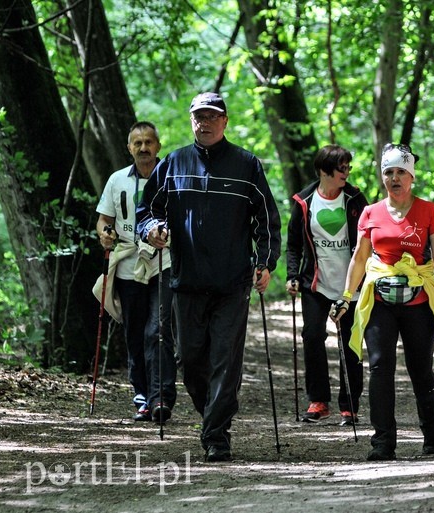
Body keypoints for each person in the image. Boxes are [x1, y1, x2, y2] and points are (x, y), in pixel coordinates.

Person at [136, 92, 281, 462]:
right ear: (191, 120)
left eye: (212, 116)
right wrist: (152, 229)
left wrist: (264, 263)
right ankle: (212, 415)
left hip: (233, 282)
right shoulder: (173, 163)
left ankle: (216, 434)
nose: (205, 122)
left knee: (224, 360)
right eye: (199, 116)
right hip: (185, 280)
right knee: (189, 359)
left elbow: (266, 220)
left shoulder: (247, 165)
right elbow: (146, 211)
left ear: (225, 121)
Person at [330, 143, 434, 461]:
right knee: (379, 369)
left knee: (421, 370)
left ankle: (431, 436)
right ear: (383, 176)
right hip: (380, 300)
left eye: (401, 171)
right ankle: (383, 442)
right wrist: (347, 297)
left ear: (411, 176)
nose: (395, 177)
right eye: (389, 172)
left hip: (418, 301)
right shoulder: (370, 213)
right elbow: (360, 259)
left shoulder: (428, 210)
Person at [95, 121, 177, 423]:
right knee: (135, 333)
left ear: (158, 145)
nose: (143, 148)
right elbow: (104, 219)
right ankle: (142, 396)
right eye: (137, 143)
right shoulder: (117, 180)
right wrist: (105, 233)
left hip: (163, 261)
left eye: (149, 142)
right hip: (129, 264)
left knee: (158, 331)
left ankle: (161, 399)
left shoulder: (170, 176)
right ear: (129, 148)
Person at [286, 144, 367, 425]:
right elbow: (294, 244)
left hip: (350, 286)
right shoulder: (304, 200)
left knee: (350, 343)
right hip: (316, 284)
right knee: (312, 337)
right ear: (323, 171)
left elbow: (368, 239)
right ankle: (318, 400)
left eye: (348, 167)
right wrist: (292, 275)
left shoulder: (356, 198)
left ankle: (350, 404)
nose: (346, 172)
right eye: (340, 168)